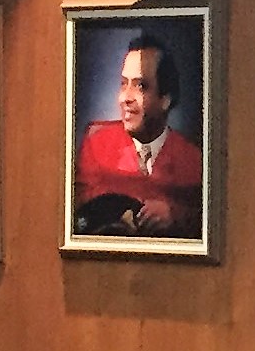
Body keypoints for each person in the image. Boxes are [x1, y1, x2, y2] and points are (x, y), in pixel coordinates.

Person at [73, 32, 202, 237]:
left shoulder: (192, 159)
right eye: (124, 83)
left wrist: (174, 216)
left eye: (140, 85)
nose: (125, 97)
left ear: (165, 99)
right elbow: (79, 216)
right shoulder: (97, 144)